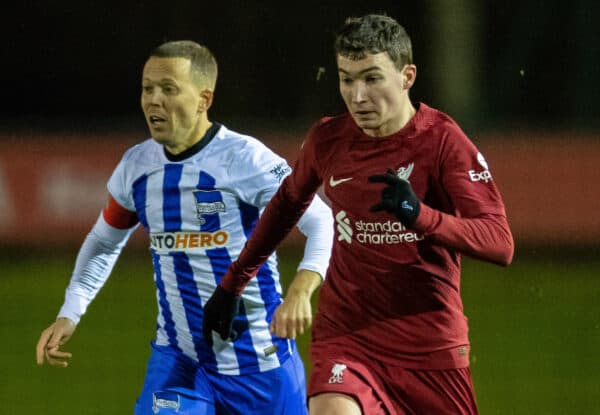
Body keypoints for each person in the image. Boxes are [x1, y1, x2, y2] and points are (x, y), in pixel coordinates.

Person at [203, 14, 514, 415]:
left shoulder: (442, 141)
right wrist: (232, 284)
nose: (358, 96)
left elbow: (499, 243)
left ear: (407, 76)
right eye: (346, 79)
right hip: (348, 337)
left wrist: (421, 216)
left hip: (430, 345)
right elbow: (284, 207)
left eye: (372, 78)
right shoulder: (328, 139)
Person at [36, 40, 334, 415]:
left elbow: (321, 220)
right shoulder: (137, 167)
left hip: (258, 359)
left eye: (169, 89)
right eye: (148, 88)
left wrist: (299, 293)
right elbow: (103, 241)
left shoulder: (245, 159)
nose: (153, 100)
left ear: (203, 99)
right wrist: (71, 309)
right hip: (179, 361)